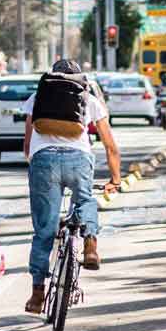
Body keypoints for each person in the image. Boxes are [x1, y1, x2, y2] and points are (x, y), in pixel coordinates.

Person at [21, 59, 123, 314]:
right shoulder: (89, 99)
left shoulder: (37, 97)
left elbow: (26, 145)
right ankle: (90, 243)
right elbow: (111, 146)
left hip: (44, 161)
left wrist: (39, 166)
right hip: (78, 160)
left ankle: (37, 294)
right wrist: (115, 180)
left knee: (44, 229)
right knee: (85, 198)